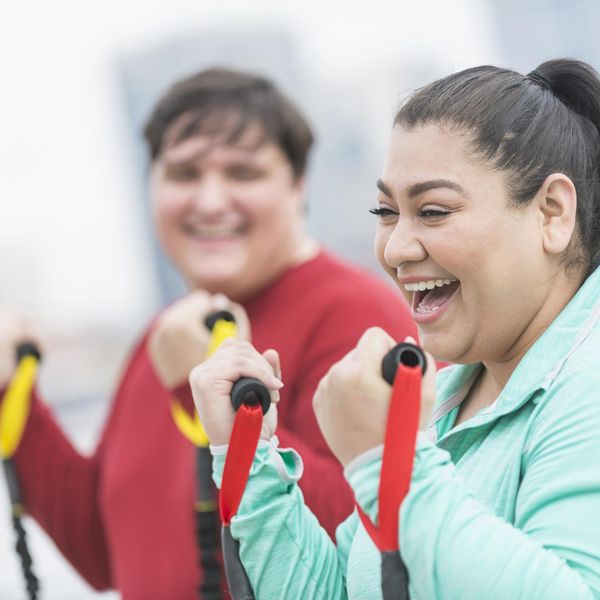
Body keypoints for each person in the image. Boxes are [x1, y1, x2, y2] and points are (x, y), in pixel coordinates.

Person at [190, 58, 600, 599]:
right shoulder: (449, 394)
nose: (396, 248)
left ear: (551, 212)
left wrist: (387, 462)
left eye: (432, 211)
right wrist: (249, 458)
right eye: (385, 212)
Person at [0, 69, 417, 599]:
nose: (211, 200)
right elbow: (102, 551)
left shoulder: (355, 314)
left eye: (242, 173)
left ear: (297, 186)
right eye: (184, 173)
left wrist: (203, 400)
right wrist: (13, 395)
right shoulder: (167, 332)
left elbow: (376, 535)